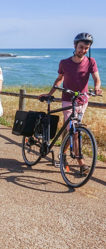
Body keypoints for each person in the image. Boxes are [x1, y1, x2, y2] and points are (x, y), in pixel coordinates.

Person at [39, 32, 102, 169]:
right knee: (75, 130)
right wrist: (50, 93)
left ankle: (63, 154)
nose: (83, 50)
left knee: (72, 129)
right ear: (75, 46)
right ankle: (81, 162)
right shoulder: (65, 63)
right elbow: (59, 79)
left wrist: (97, 88)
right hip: (68, 100)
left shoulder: (91, 62)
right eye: (81, 47)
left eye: (86, 48)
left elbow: (97, 79)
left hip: (83, 101)